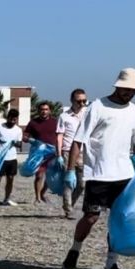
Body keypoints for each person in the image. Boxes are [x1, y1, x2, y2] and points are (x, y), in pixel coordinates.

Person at [61, 68, 135, 269]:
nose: (129, 93)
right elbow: (79, 140)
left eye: (133, 90)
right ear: (117, 85)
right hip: (98, 174)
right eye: (126, 89)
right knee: (91, 217)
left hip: (124, 175)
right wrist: (69, 170)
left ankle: (111, 265)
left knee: (119, 221)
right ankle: (75, 249)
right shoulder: (98, 107)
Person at [56, 89, 88, 219]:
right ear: (72, 101)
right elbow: (59, 136)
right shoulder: (64, 116)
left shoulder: (88, 114)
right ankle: (68, 209)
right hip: (68, 151)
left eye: (84, 101)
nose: (81, 104)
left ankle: (71, 204)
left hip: (83, 151)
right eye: (78, 101)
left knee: (81, 184)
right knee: (68, 181)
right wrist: (59, 154)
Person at [23, 101, 60, 205]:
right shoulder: (33, 123)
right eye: (42, 109)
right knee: (39, 175)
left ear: (50, 111)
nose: (44, 111)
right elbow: (25, 136)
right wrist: (28, 139)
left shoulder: (55, 122)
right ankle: (38, 197)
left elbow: (60, 136)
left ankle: (43, 193)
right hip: (39, 153)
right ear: (39, 111)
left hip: (53, 153)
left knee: (50, 176)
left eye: (46, 109)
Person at [0, 109, 23, 206]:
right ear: (8, 117)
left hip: (12, 158)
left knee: (10, 178)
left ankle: (7, 198)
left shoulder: (18, 130)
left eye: (15, 118)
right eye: (11, 117)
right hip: (0, 158)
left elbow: (20, 144)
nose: (13, 120)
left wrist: (16, 143)